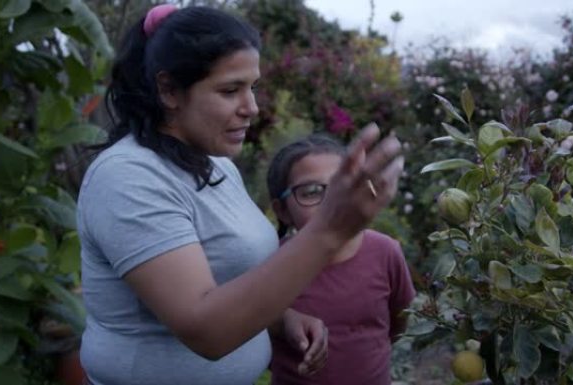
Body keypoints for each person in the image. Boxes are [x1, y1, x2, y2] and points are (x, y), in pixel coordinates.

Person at [76, 4, 403, 385]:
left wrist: (282, 319)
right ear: (168, 90)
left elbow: (223, 271)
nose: (251, 108)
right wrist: (329, 230)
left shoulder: (216, 166)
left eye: (253, 87)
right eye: (230, 90)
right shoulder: (128, 177)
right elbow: (206, 331)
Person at [266, 135, 416, 385]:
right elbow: (252, 323)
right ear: (282, 210)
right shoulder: (271, 263)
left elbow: (398, 320)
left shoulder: (386, 252)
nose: (332, 202)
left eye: (342, 186)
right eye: (312, 191)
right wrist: (283, 320)